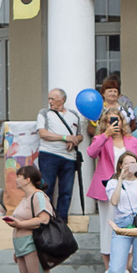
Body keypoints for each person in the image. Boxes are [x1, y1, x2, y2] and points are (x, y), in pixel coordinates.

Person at [33, 86, 84, 221]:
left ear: (62, 100)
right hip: (49, 155)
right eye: (49, 98)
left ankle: (62, 222)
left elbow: (80, 136)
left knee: (66, 192)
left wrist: (74, 140)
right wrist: (64, 138)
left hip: (69, 158)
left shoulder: (73, 115)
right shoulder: (44, 113)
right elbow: (42, 133)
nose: (49, 101)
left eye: (52, 99)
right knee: (47, 188)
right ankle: (46, 219)